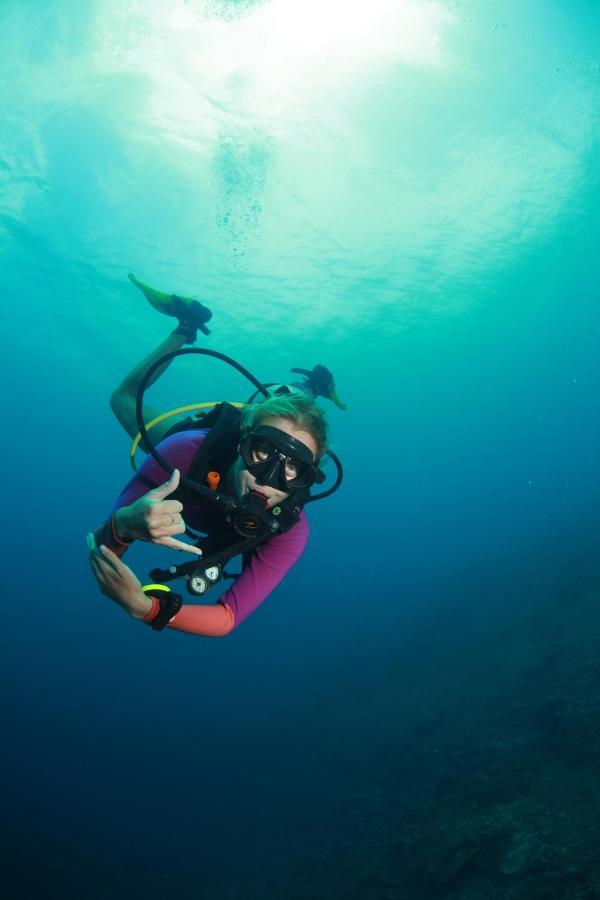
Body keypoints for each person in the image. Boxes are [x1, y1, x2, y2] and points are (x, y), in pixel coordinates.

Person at [87, 274, 343, 637]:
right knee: (122, 400)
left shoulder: (289, 529)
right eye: (262, 451)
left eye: (293, 468)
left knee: (294, 416)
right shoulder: (184, 451)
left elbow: (227, 619)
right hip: (200, 451)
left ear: (307, 478)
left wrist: (148, 609)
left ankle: (312, 388)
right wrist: (124, 524)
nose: (268, 478)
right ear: (241, 441)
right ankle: (187, 326)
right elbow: (100, 546)